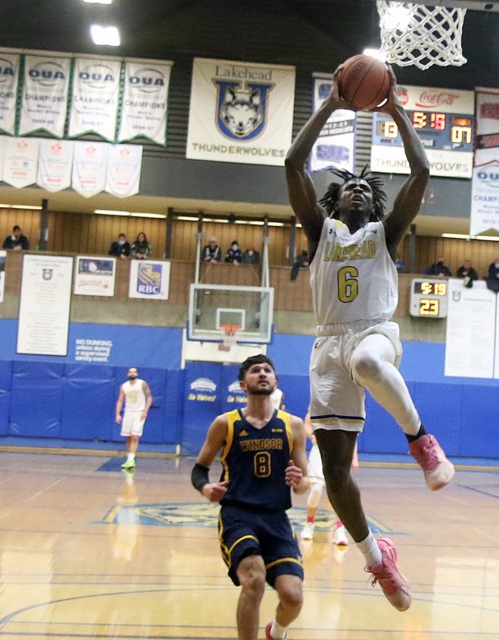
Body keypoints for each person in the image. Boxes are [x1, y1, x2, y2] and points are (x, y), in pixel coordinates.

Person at [285, 68, 453, 612]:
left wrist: (397, 111)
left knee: (368, 360)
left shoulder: (387, 233)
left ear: (374, 204)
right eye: (348, 186)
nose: (357, 188)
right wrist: (332, 106)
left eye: (365, 187)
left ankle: (422, 442)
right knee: (334, 475)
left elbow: (423, 169)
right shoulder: (321, 232)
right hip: (326, 347)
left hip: (375, 333)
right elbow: (291, 163)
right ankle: (377, 558)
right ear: (336, 202)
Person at [190, 355, 308, 640]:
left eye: (268, 370)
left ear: (276, 382)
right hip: (237, 515)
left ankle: (276, 631)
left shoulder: (292, 426)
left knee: (293, 596)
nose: (263, 374)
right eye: (256, 371)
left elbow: (303, 483)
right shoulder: (225, 424)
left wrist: (299, 481)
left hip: (276, 518)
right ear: (244, 384)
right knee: (253, 580)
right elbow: (199, 469)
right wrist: (205, 488)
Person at [301, 411, 351, 546]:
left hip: (340, 450)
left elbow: (353, 433)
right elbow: (307, 423)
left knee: (339, 491)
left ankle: (340, 529)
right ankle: (309, 524)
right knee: (316, 488)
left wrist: (354, 457)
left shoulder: (346, 401)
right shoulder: (320, 397)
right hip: (319, 450)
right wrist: (312, 434)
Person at [115, 367, 152, 470]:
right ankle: (129, 459)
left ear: (137, 373)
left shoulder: (142, 384)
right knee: (128, 436)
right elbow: (120, 401)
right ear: (128, 374)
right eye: (131, 372)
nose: (132, 373)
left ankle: (131, 460)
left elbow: (149, 397)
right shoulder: (124, 386)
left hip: (139, 412)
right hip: (128, 412)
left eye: (134, 372)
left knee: (135, 436)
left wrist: (145, 411)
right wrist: (117, 414)